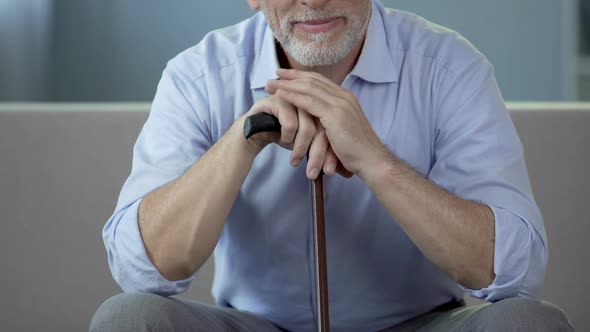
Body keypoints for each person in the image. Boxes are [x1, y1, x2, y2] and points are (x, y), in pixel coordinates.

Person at [90, 0, 573, 331]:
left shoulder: (450, 68)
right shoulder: (197, 76)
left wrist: (373, 159)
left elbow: (514, 271)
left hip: (424, 324)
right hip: (255, 325)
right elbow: (142, 270)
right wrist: (244, 138)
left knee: (527, 323)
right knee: (128, 319)